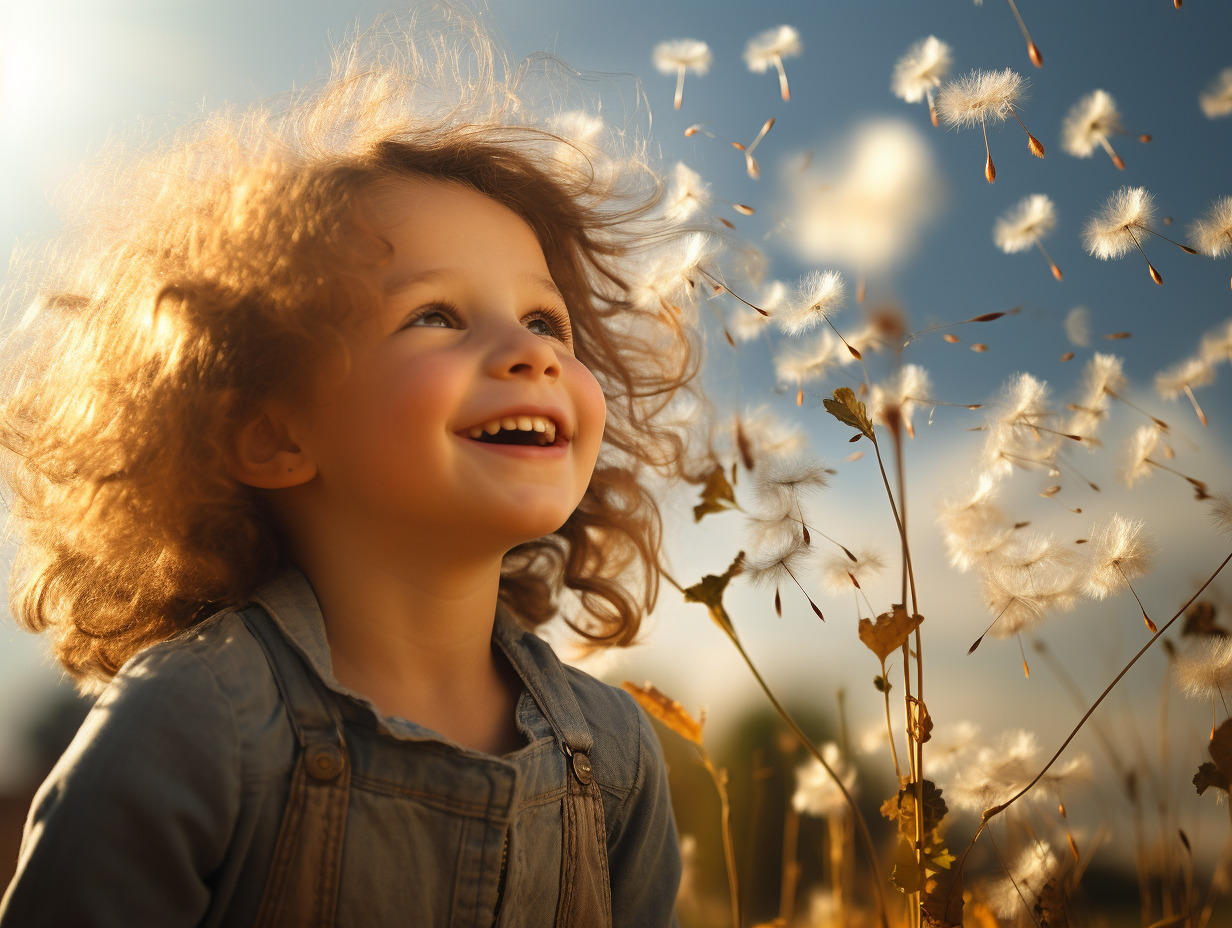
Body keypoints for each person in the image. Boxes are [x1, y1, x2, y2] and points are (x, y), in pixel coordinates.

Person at [0, 11, 708, 926]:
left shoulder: (615, 759)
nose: (528, 354)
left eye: (545, 322)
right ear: (276, 436)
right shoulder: (188, 724)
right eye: (437, 316)